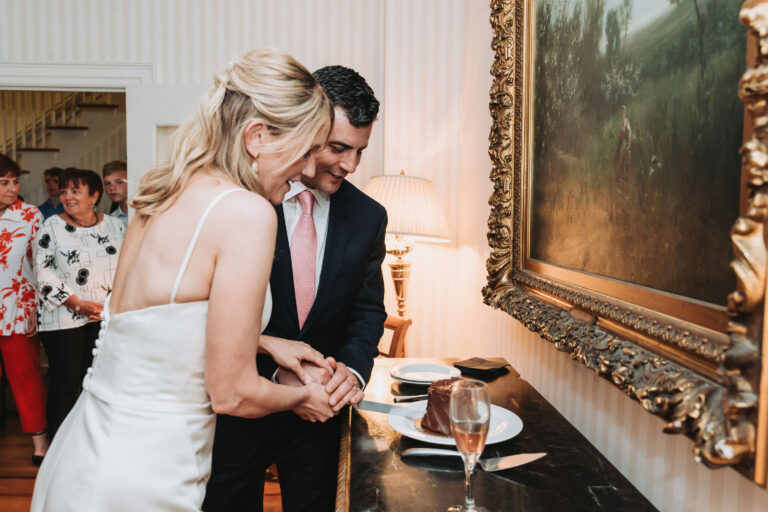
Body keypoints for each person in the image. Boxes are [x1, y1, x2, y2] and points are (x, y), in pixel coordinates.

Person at [31, 48, 336, 512]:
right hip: (146, 473)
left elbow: (150, 326)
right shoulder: (247, 212)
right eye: (306, 150)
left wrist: (263, 343)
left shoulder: (161, 191)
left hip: (84, 453)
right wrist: (304, 396)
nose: (308, 170)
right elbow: (232, 394)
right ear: (257, 136)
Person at [205, 65, 387, 512]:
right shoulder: (238, 204)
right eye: (338, 148)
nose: (350, 166)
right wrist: (276, 372)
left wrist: (351, 373)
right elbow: (203, 309)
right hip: (236, 414)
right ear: (306, 129)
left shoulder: (369, 216)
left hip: (319, 419)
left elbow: (367, 312)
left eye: (360, 151)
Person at [33, 168, 126, 439]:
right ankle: (59, 445)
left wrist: (114, 305)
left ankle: (89, 442)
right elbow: (43, 271)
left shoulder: (115, 226)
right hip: (62, 319)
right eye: (64, 191)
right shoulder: (52, 225)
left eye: (75, 191)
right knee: (66, 383)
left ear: (94, 196)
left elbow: (127, 266)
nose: (67, 197)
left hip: (104, 317)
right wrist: (76, 304)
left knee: (97, 382)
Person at [0, 154, 50, 465]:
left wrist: (35, 307)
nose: (12, 188)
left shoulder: (30, 215)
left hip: (18, 309)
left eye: (15, 182)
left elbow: (42, 264)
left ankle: (40, 442)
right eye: (4, 182)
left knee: (26, 377)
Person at [102, 160, 129, 226]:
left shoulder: (147, 213)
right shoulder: (110, 221)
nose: (112, 188)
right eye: (107, 184)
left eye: (119, 182)